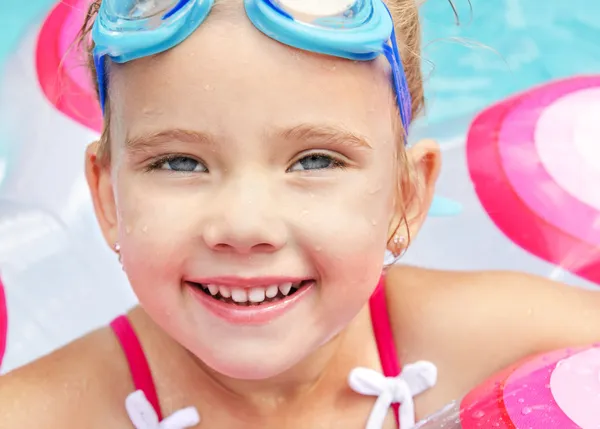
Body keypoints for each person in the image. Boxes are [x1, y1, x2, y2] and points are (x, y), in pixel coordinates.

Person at [1, 1, 599, 428]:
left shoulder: (478, 336)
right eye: (180, 163)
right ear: (108, 199)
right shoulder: (41, 413)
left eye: (314, 160)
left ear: (407, 195)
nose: (245, 227)